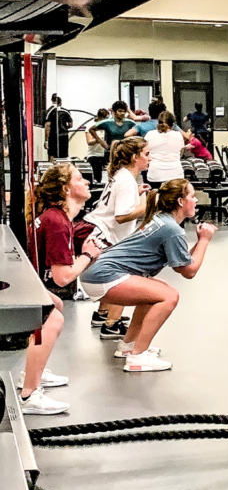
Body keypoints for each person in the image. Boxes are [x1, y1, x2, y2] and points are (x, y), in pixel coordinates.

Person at [80, 180, 217, 371]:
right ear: (180, 201)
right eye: (192, 196)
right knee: (170, 296)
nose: (195, 200)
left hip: (96, 273)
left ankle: (128, 346)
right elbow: (189, 272)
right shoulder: (172, 229)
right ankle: (138, 357)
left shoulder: (162, 220)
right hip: (103, 276)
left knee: (159, 289)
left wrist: (201, 241)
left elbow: (185, 262)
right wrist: (204, 240)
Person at [20, 164, 103, 415]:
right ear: (67, 188)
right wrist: (88, 255)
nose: (87, 182)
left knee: (55, 305)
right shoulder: (57, 221)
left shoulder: (57, 218)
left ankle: (35, 369)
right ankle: (29, 395)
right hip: (24, 284)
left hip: (27, 281)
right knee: (53, 320)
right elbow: (63, 277)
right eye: (80, 178)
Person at [84, 137, 151, 339]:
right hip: (104, 234)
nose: (150, 159)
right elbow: (121, 216)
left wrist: (136, 193)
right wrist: (148, 206)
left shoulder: (123, 177)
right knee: (123, 276)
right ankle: (112, 324)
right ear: (134, 157)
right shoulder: (126, 181)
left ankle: (102, 314)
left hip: (98, 229)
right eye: (147, 154)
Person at [144, 111, 186, 189]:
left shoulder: (150, 135)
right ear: (173, 124)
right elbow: (181, 153)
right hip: (175, 174)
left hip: (155, 175)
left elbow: (145, 153)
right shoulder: (178, 135)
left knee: (155, 200)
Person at [88, 101, 136, 166]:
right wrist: (101, 141)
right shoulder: (107, 122)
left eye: (124, 111)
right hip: (110, 152)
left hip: (125, 152)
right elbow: (91, 129)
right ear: (114, 112)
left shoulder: (130, 123)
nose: (122, 113)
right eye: (120, 111)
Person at [85, 107, 109, 184]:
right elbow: (89, 141)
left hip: (105, 153)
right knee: (97, 177)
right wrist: (99, 140)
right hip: (94, 154)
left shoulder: (108, 125)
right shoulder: (91, 126)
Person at [44, 95, 73, 160]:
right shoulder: (66, 111)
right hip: (64, 136)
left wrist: (46, 140)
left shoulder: (49, 111)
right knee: (64, 155)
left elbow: (47, 126)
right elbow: (71, 124)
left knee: (52, 154)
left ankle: (52, 168)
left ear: (52, 101)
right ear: (60, 102)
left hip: (53, 136)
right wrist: (65, 128)